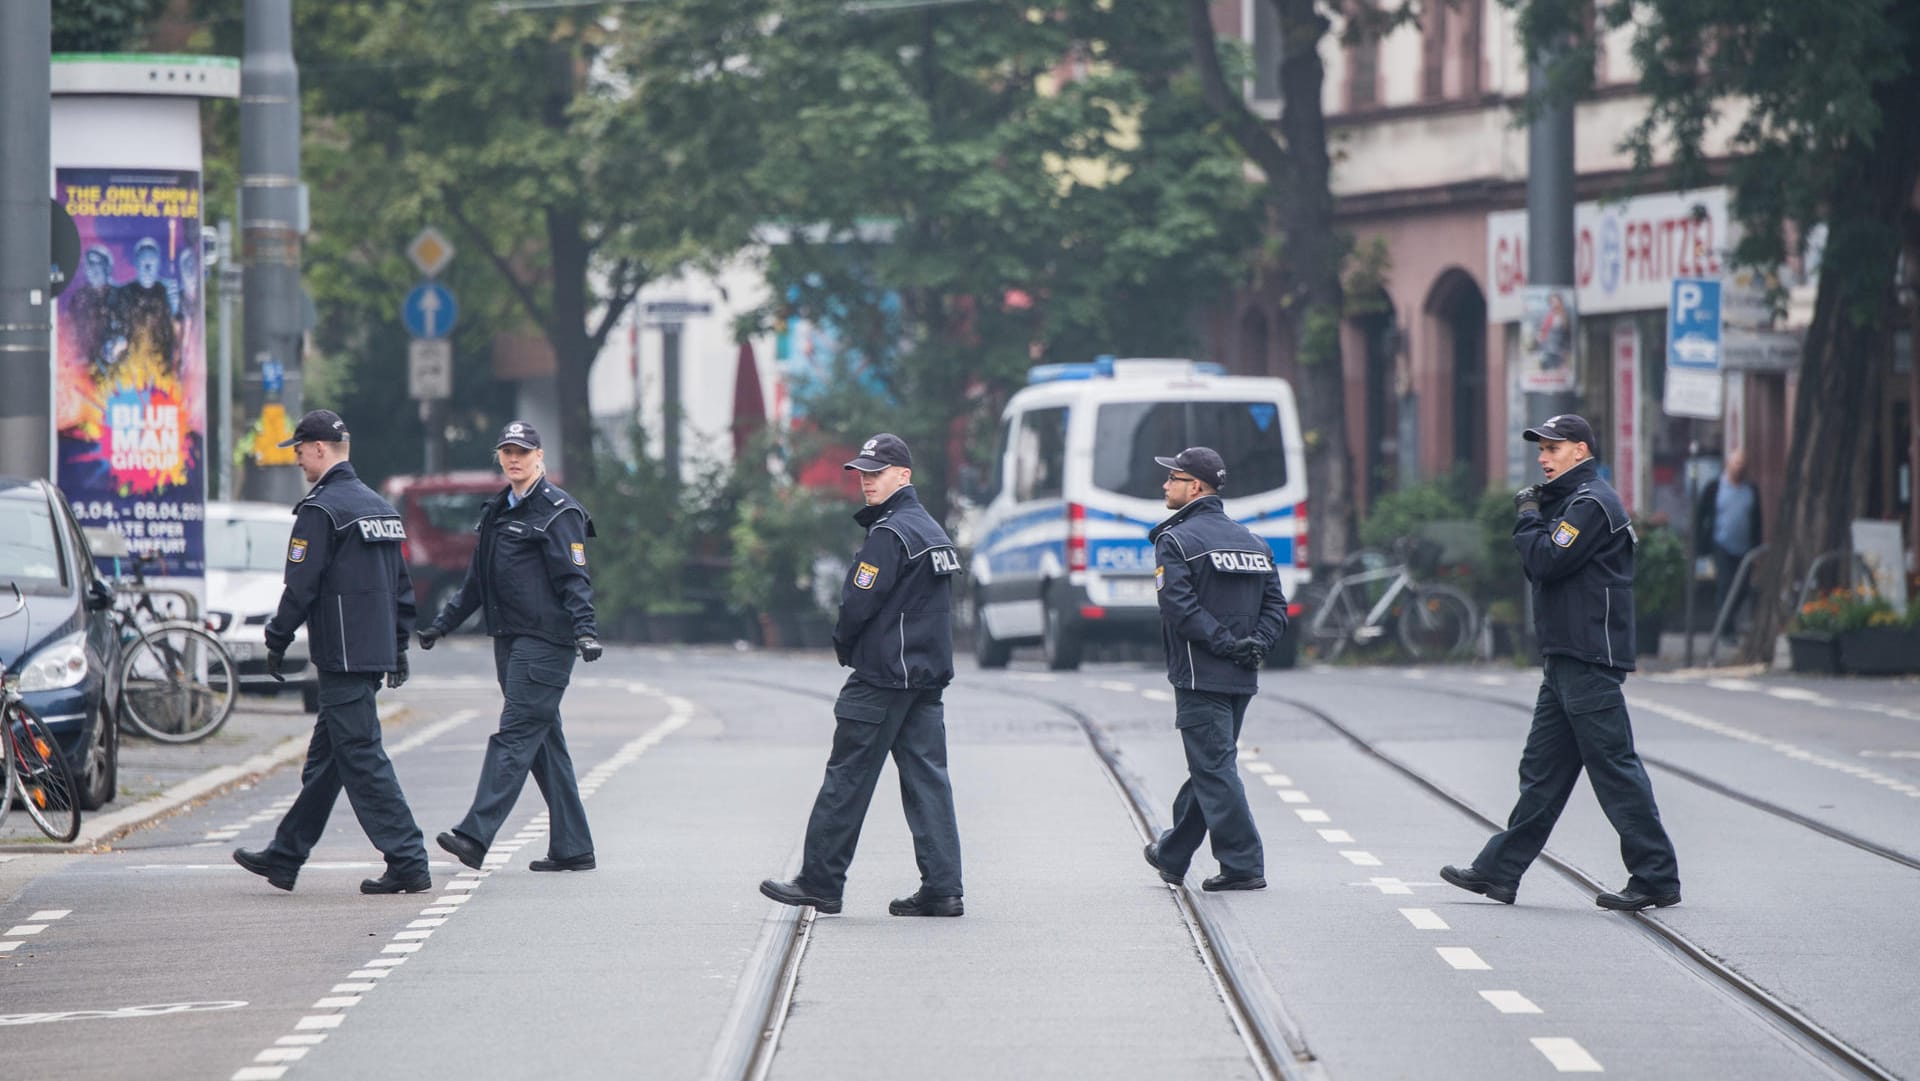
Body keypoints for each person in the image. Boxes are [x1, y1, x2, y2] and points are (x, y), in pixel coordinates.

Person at [1441, 414, 1682, 911]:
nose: (1543, 458)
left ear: (1581, 450)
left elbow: (1546, 561)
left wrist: (1528, 515)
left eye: (1553, 448)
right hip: (1567, 653)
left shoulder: (1591, 503)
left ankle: (1656, 875)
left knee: (1613, 766)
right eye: (1540, 450)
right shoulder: (1573, 500)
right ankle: (1499, 872)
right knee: (1542, 771)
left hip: (1587, 654)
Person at [760, 433, 965, 917]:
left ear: (903, 476)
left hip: (883, 676)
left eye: (876, 473)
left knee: (847, 776)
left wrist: (845, 646)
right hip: (924, 676)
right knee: (928, 779)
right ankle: (943, 887)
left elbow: (857, 603)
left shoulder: (890, 534)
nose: (867, 482)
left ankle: (820, 881)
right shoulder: (930, 528)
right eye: (863, 474)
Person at [233, 409, 430, 895]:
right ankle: (285, 855)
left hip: (341, 655)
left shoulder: (320, 510)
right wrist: (398, 646)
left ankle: (408, 858)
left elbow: (300, 586)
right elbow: (401, 587)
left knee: (360, 757)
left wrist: (277, 638)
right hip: (368, 653)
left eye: (300, 451)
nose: (298, 460)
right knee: (329, 762)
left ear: (319, 448)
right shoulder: (379, 507)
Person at [419, 421, 603, 874]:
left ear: (540, 456)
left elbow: (573, 579)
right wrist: (440, 626)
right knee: (545, 744)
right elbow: (476, 583)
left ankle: (475, 834)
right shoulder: (498, 510)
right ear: (499, 457)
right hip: (510, 641)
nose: (514, 458)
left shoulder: (560, 512)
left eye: (523, 451)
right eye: (507, 451)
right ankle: (573, 845)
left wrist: (585, 630)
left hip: (546, 644)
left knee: (516, 735)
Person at [1139, 447, 1288, 892]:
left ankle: (1243, 863)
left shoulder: (1177, 540)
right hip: (1241, 673)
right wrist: (1256, 644)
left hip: (1200, 671)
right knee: (1213, 763)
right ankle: (1173, 852)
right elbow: (1276, 605)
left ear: (1196, 487)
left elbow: (1179, 608)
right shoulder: (1253, 541)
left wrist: (1225, 644)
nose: (1166, 485)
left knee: (1215, 766)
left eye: (1174, 478)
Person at [1695, 449, 1761, 641]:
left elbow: (1757, 521)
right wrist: (1701, 545)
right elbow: (1701, 516)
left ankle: (1728, 622)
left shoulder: (1751, 490)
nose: (1739, 467)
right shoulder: (1715, 488)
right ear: (1728, 464)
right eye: (1736, 463)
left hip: (1745, 548)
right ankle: (1726, 629)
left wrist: (1757, 549)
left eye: (1742, 464)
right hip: (1721, 545)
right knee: (1725, 586)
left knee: (1742, 588)